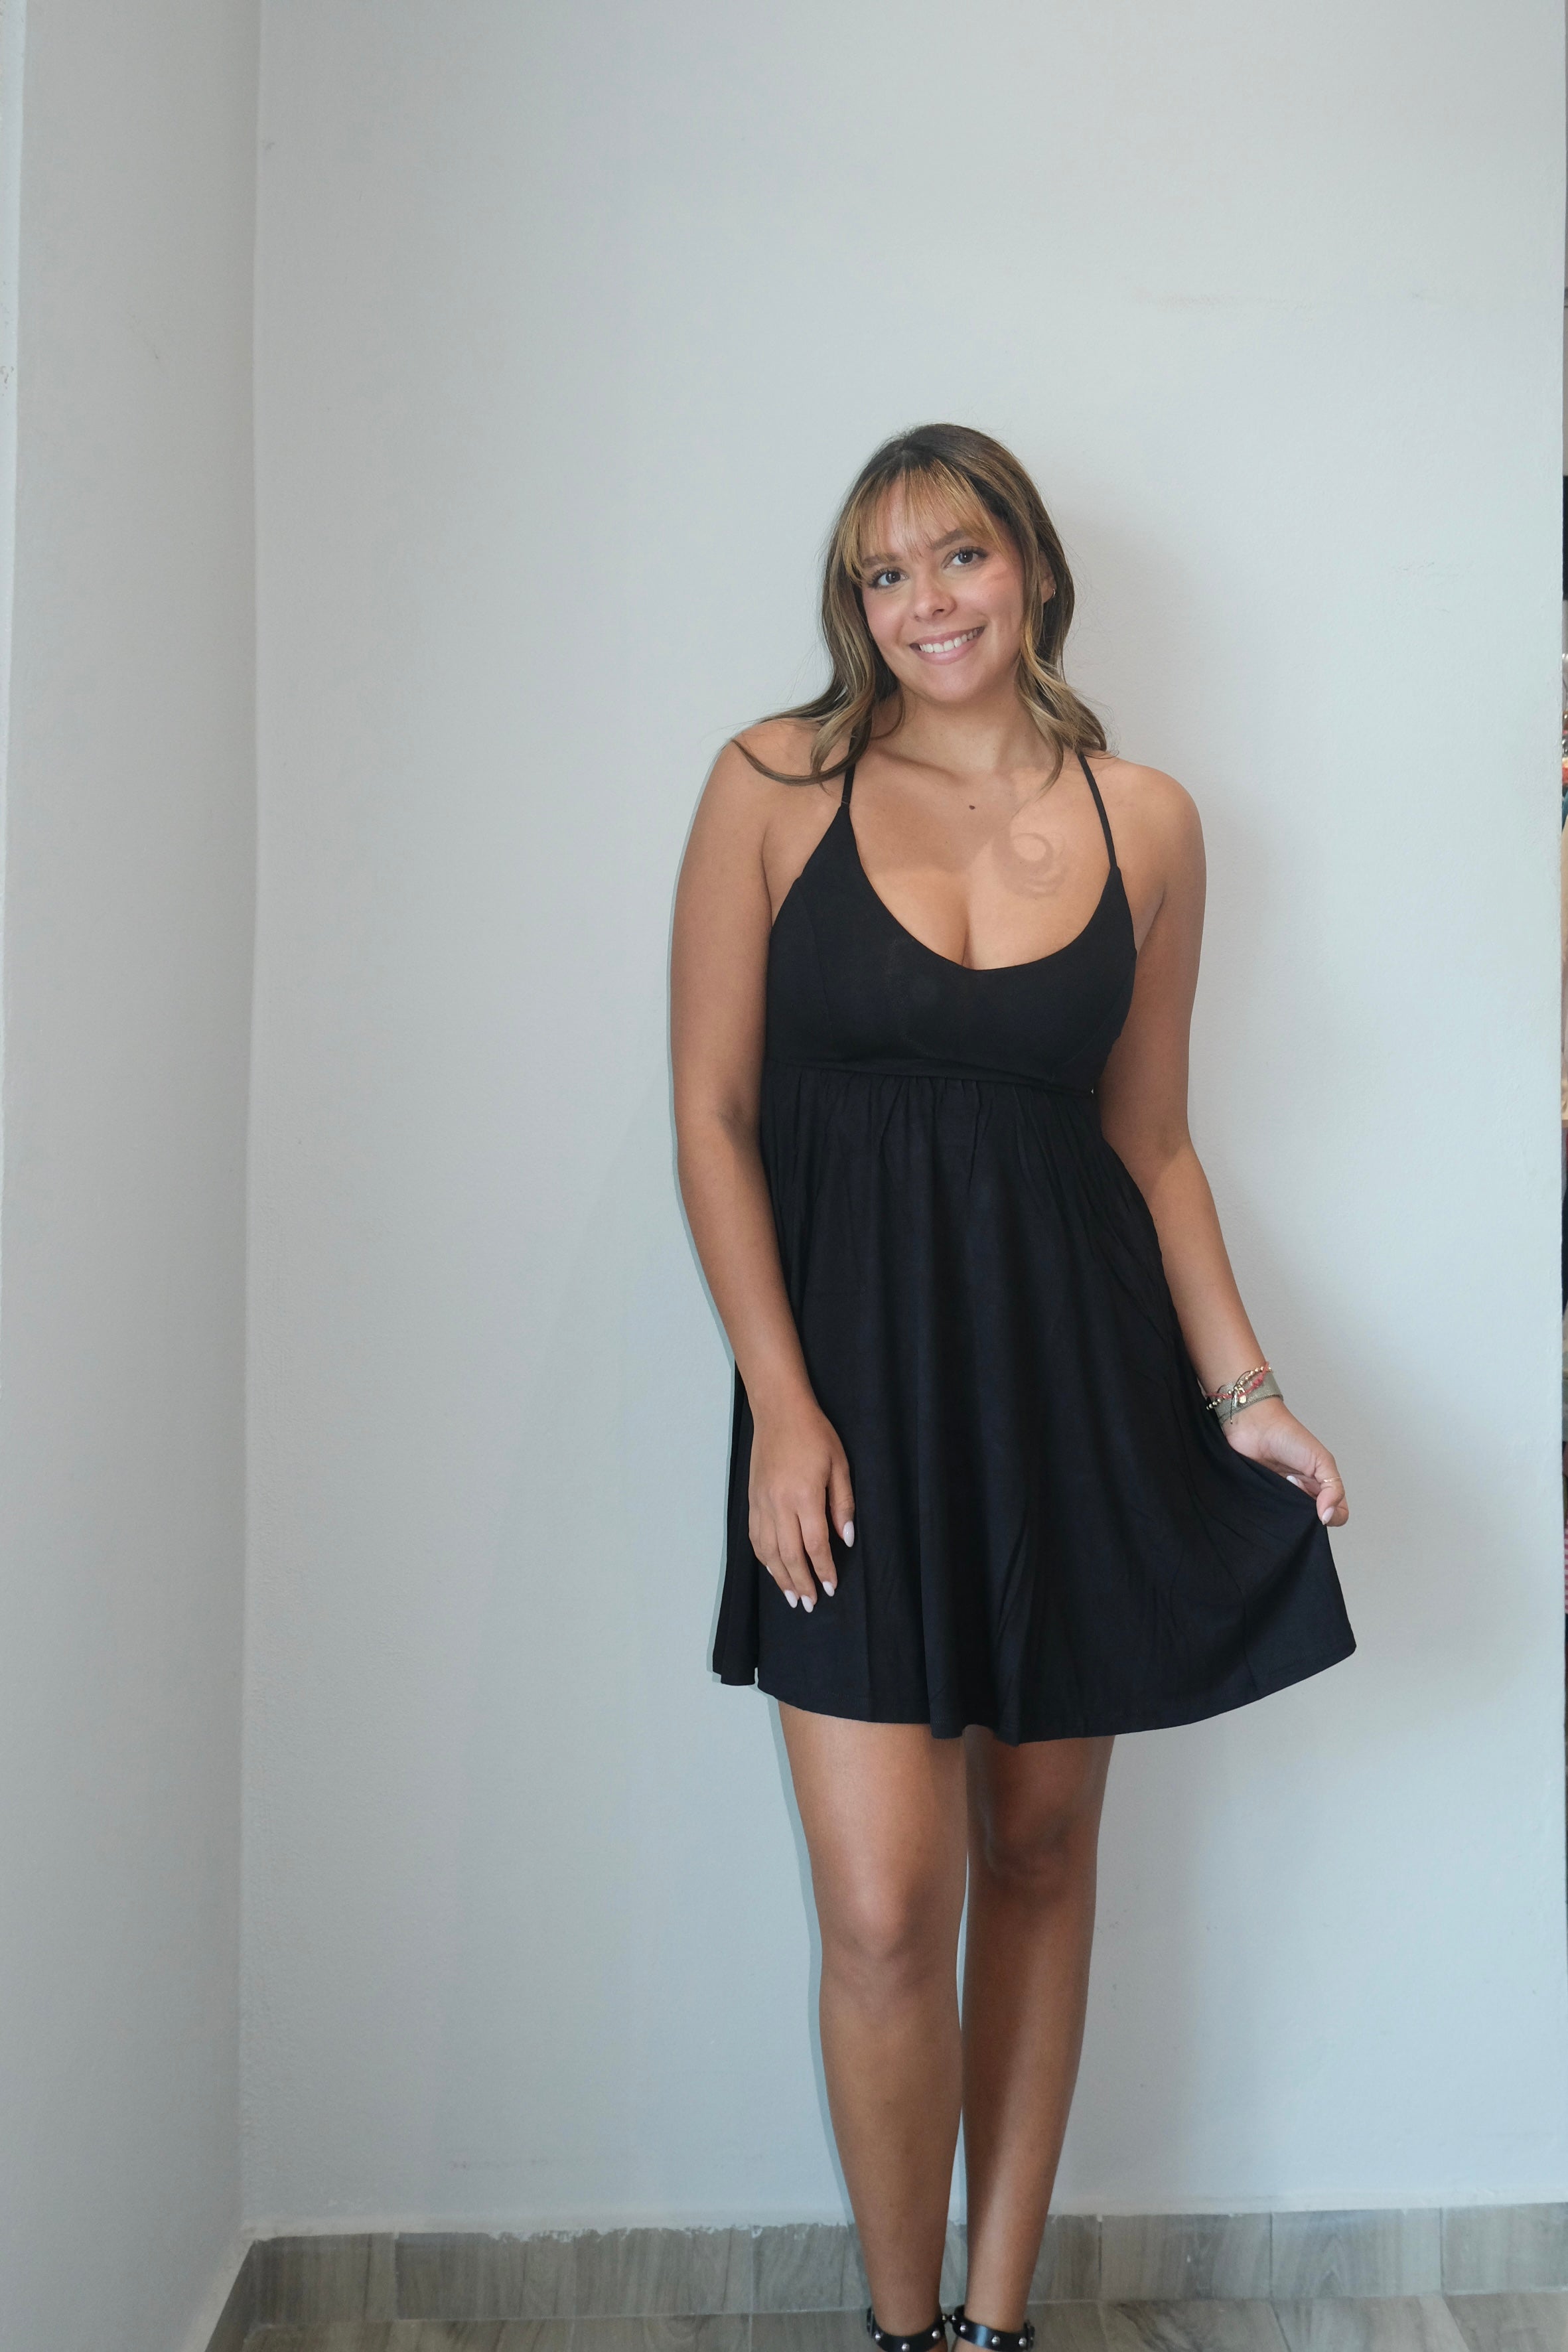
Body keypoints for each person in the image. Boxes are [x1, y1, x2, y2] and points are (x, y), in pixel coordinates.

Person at [669, 424, 1354, 2352]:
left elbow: (1153, 1143)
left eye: (957, 556)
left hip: (1073, 1391)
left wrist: (1243, 1395)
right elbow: (712, 1119)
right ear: (854, 606)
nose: (926, 604)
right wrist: (781, 1404)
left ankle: (992, 2327)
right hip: (849, 1406)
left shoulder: (1151, 821)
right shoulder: (772, 786)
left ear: (1031, 567)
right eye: (883, 575)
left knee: (1039, 1858)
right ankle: (899, 2334)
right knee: (886, 1909)